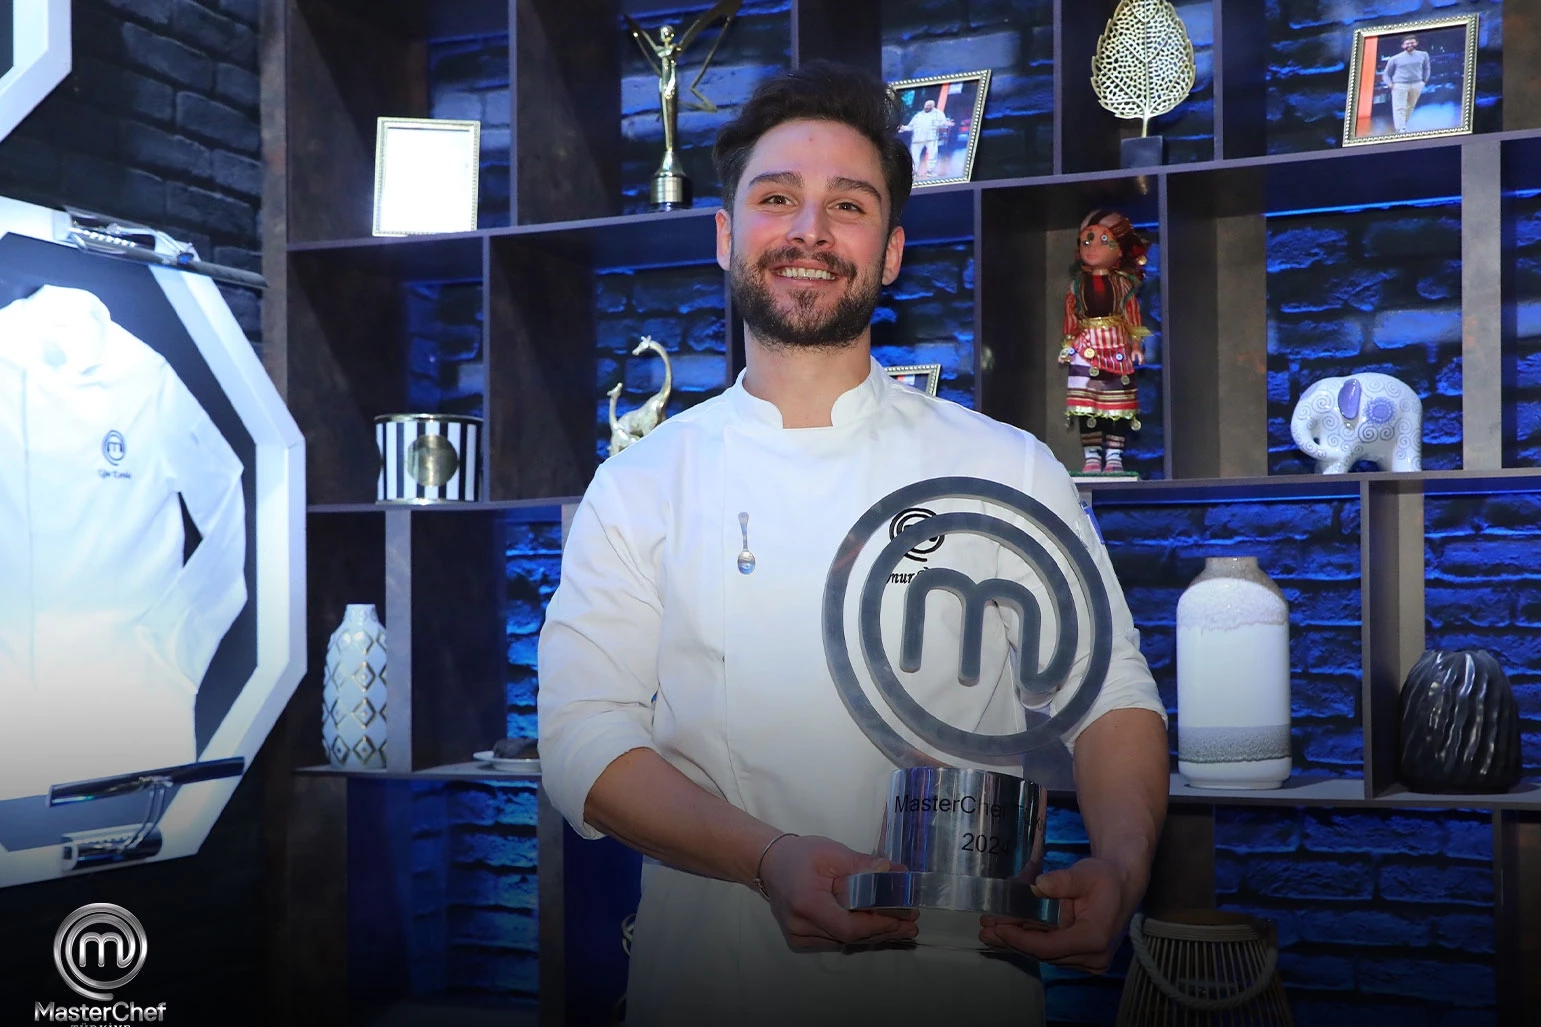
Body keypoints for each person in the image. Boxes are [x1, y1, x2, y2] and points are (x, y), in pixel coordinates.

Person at [537, 61, 1170, 1027]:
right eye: (775, 198)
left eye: (848, 205)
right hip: (712, 985)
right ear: (725, 235)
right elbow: (582, 740)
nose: (810, 231)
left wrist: (1123, 862)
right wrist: (767, 858)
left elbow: (1108, 697)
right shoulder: (637, 484)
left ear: (891, 252)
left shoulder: (1006, 467)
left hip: (955, 988)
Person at [1058, 209, 1151, 475]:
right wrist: (1068, 343)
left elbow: (1132, 315)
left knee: (1116, 406)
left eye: (1103, 241)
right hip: (1085, 348)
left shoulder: (1123, 286)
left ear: (1120, 250)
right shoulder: (1077, 287)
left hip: (1116, 348)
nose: (1092, 247)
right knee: (1087, 406)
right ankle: (1091, 456)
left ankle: (1114, 456)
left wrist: (1136, 345)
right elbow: (1071, 316)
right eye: (1087, 241)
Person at [1382, 34, 1430, 133]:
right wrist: (1390, 84)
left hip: (1417, 84)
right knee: (1399, 107)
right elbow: (1386, 74)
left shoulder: (1423, 55)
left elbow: (1426, 68)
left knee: (1410, 106)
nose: (1410, 45)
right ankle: (1401, 129)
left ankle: (1401, 126)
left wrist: (1424, 80)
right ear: (1403, 46)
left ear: (1416, 43)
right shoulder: (1395, 58)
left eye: (1412, 43)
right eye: (1407, 43)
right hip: (1400, 85)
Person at [898, 98, 952, 178]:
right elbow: (910, 127)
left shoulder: (938, 114)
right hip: (917, 139)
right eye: (926, 105)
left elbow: (943, 124)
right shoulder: (918, 115)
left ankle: (930, 171)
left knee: (932, 155)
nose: (927, 107)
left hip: (931, 139)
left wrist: (947, 124)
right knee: (914, 156)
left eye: (929, 105)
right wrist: (902, 128)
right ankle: (914, 172)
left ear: (933, 106)